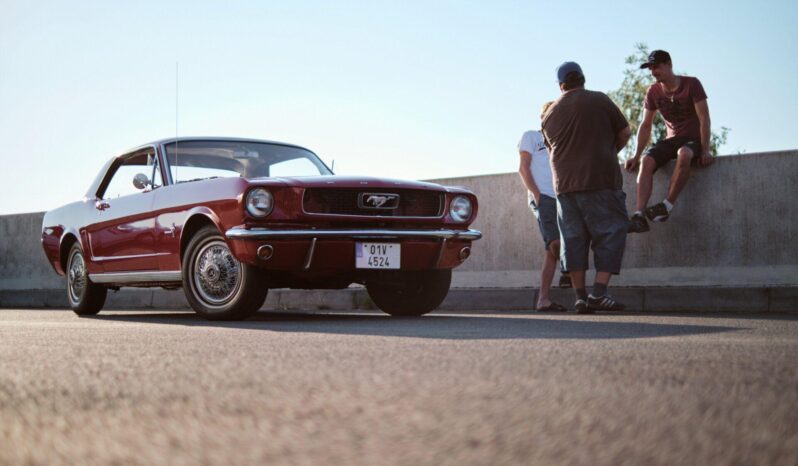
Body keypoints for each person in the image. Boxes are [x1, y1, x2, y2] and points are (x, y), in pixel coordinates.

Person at [541, 62, 632, 314]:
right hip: (600, 179)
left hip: (565, 187)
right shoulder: (599, 100)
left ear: (561, 85)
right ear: (583, 79)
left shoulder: (548, 114)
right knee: (611, 232)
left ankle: (580, 297)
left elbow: (551, 151)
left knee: (573, 240)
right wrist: (608, 153)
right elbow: (625, 133)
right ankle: (599, 293)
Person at [625, 50, 713, 233]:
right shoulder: (653, 91)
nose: (653, 72)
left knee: (684, 154)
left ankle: (667, 206)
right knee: (646, 161)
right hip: (671, 140)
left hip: (692, 140)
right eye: (650, 68)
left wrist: (705, 150)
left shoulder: (692, 84)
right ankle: (639, 215)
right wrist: (636, 155)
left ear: (669, 64)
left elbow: (704, 118)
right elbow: (646, 124)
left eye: (656, 66)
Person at [518, 101, 571, 312]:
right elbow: (523, 168)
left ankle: (543, 299)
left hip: (563, 197)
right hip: (544, 198)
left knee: (551, 251)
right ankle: (567, 270)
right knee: (555, 243)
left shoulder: (561, 139)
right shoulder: (531, 136)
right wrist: (537, 195)